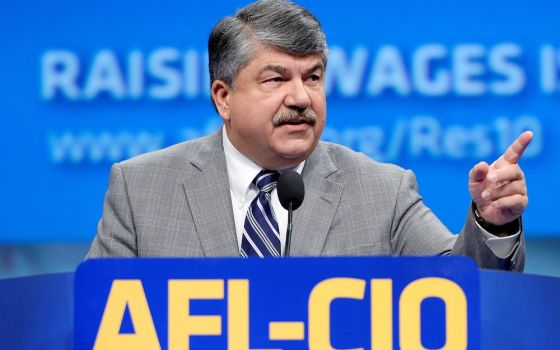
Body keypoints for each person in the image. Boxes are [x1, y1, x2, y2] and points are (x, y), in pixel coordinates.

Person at [87, 0, 532, 271]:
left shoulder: (383, 190)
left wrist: (492, 223)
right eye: (276, 79)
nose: (301, 97)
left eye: (313, 77)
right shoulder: (140, 189)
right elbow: (94, 318)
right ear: (223, 97)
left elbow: (459, 294)